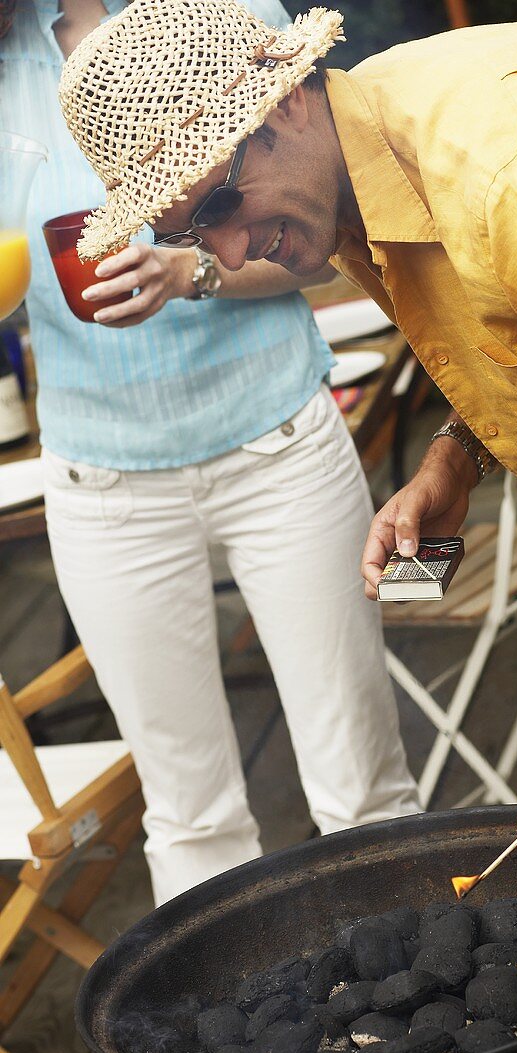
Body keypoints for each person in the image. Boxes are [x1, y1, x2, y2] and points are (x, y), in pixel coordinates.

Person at [57, 1, 517, 1053]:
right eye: (191, 234)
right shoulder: (358, 173)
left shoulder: (516, 163)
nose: (229, 253)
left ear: (278, 104)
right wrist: (452, 461)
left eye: (225, 200)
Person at [0, 0, 421, 909]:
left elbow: (328, 239)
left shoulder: (205, 21)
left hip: (279, 446)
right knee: (188, 814)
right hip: (102, 484)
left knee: (361, 782)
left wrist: (197, 272)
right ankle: (238, 1041)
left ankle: (421, 1012)